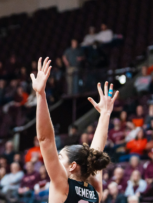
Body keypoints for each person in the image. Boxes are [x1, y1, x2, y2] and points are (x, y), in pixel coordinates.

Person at [31, 56, 116, 203]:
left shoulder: (63, 185)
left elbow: (46, 140)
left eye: (60, 157)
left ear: (72, 166)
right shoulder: (95, 192)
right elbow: (97, 151)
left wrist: (41, 95)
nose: (56, 159)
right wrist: (105, 115)